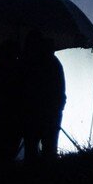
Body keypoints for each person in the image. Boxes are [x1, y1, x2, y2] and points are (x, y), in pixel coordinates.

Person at [18, 34, 66, 163]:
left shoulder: (28, 63)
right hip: (49, 114)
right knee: (48, 151)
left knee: (32, 150)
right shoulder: (54, 63)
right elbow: (60, 93)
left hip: (34, 113)